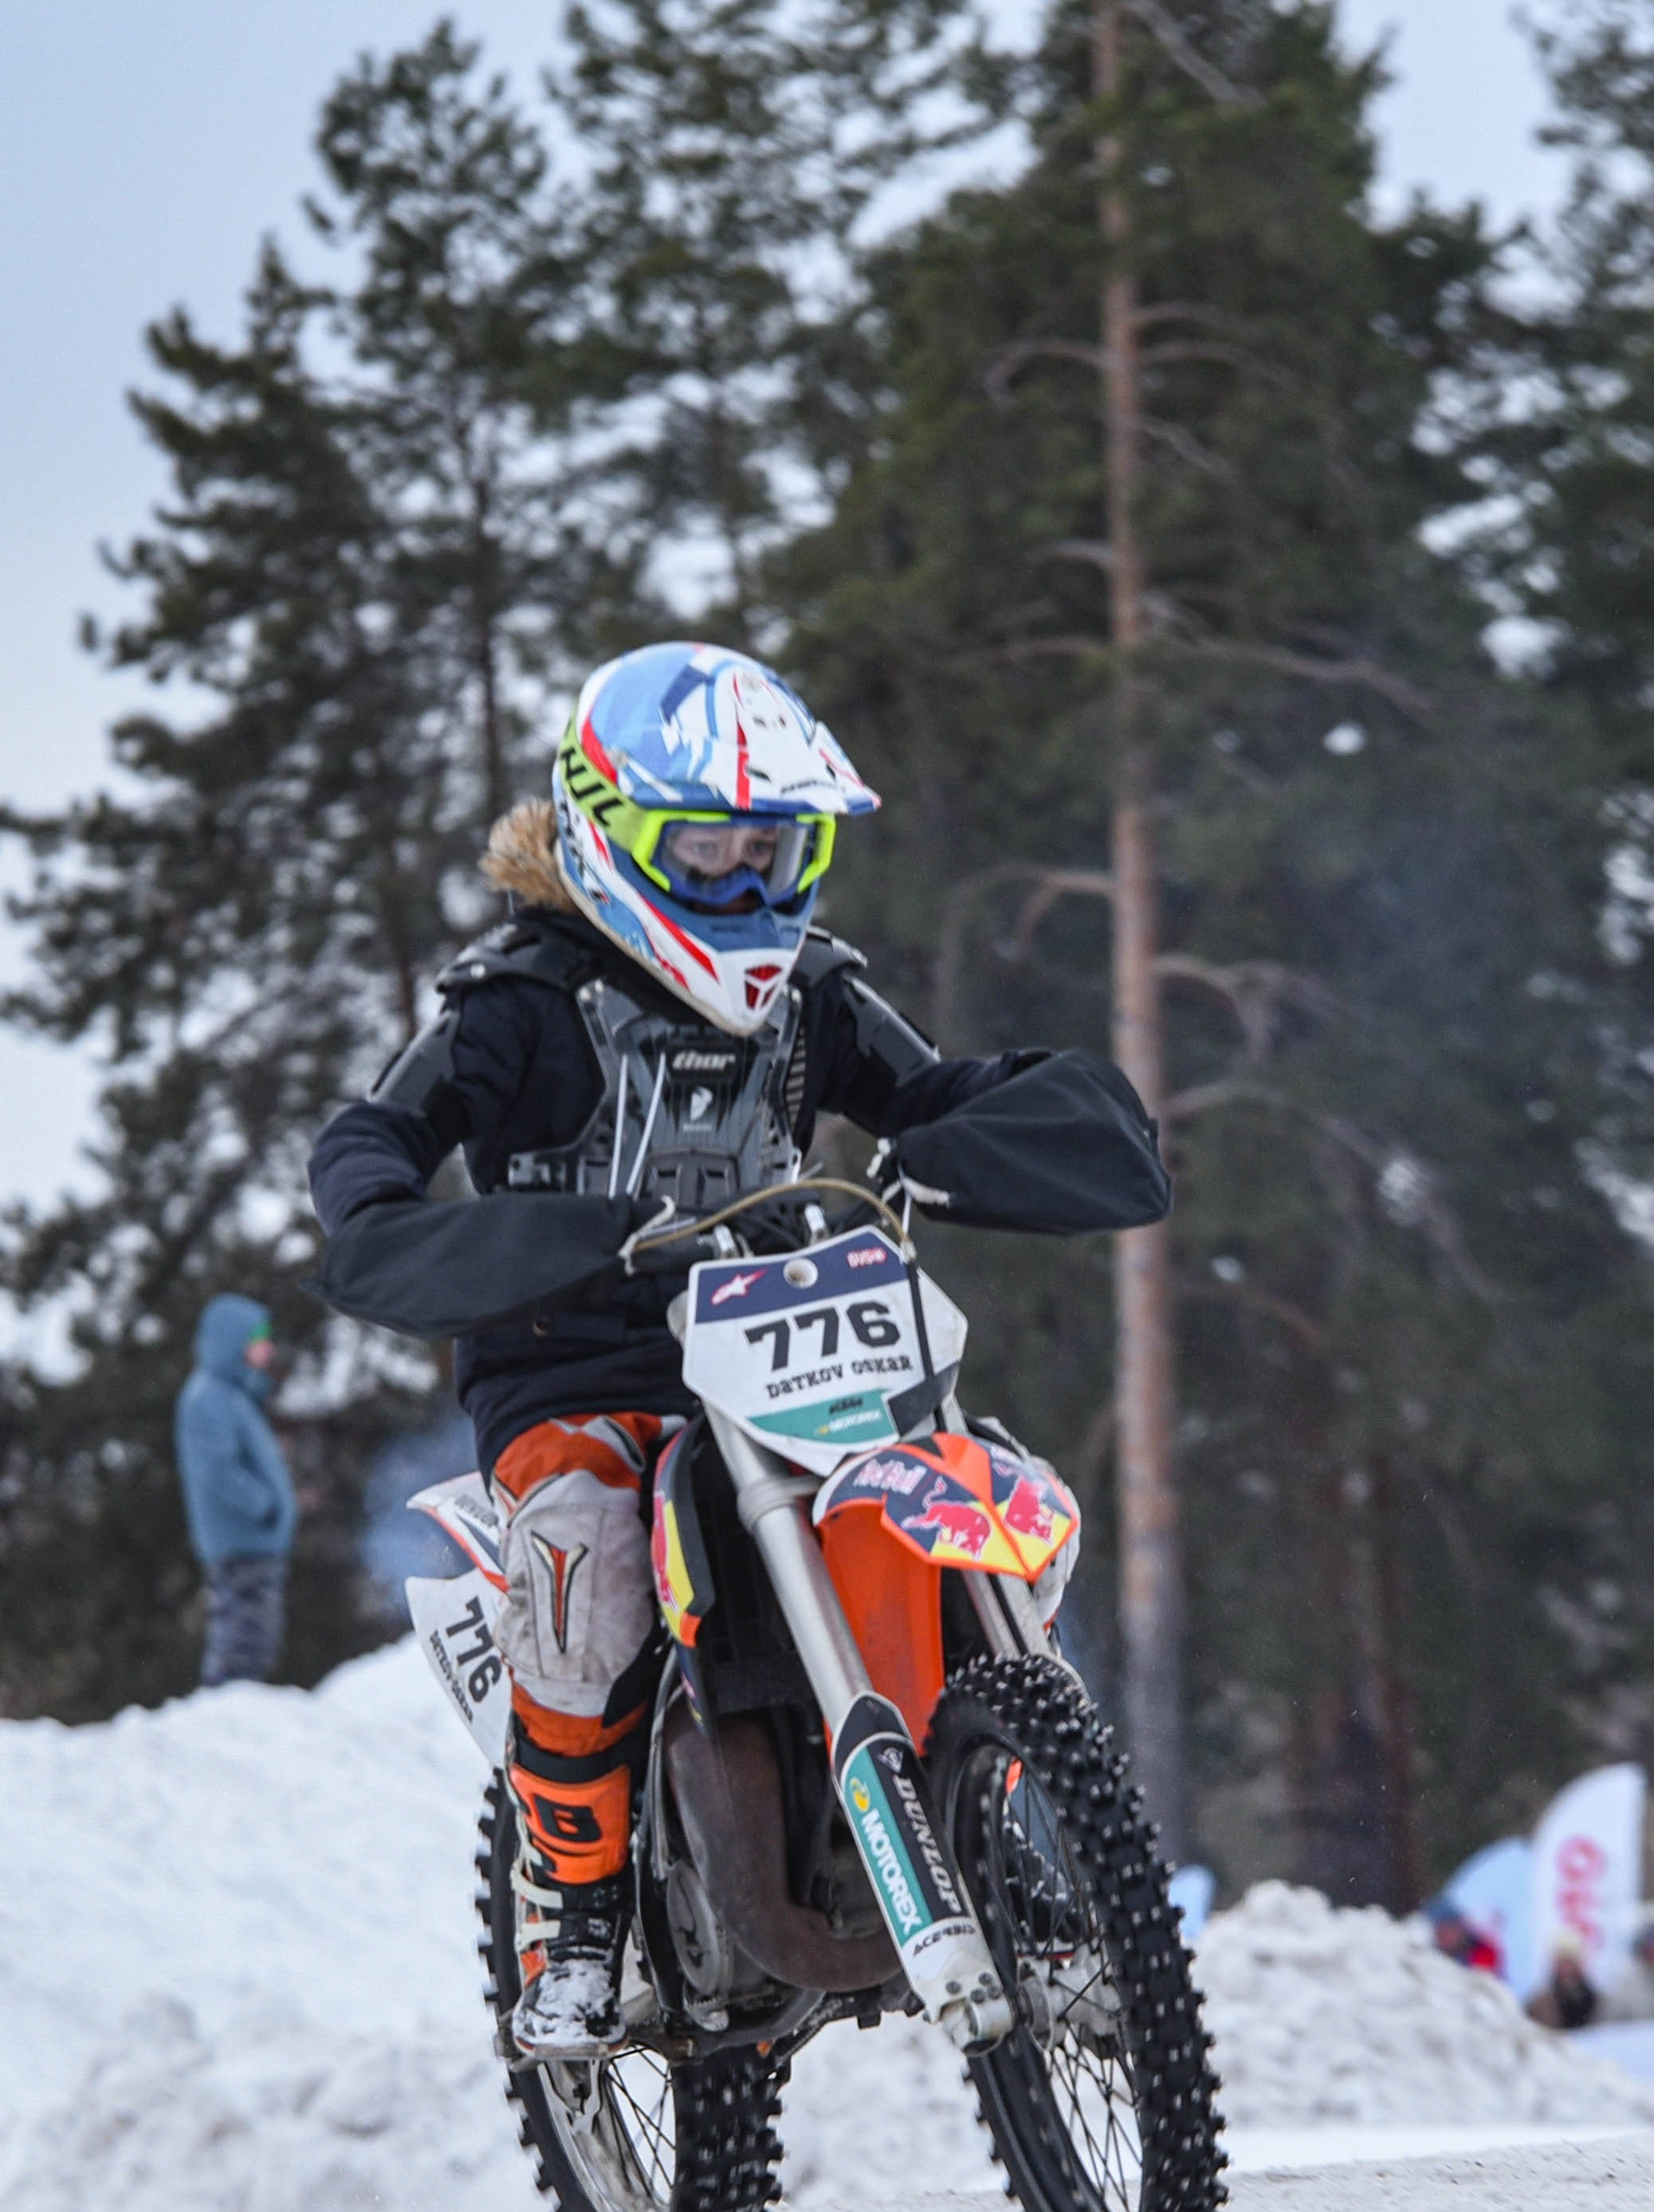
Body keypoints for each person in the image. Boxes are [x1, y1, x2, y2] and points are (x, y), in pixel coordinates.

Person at [309, 640, 1167, 2057]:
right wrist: (413, 1222)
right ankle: (577, 1909)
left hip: (789, 1351)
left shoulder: (811, 991)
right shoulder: (515, 1002)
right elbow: (373, 1138)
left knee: (984, 1500)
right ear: (607, 831)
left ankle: (1001, 1824)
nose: (745, 882)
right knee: (587, 1553)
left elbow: (932, 1089)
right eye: (706, 849)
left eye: (772, 849)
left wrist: (995, 1136)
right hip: (581, 1369)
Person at [174, 1294, 298, 1687]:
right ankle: (225, 1703)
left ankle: (235, 1702)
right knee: (244, 1637)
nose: (268, 1349)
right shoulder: (208, 1399)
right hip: (239, 1540)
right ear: (232, 1343)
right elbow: (218, 1471)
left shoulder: (231, 1396)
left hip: (252, 1541)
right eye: (259, 1340)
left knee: (256, 1634)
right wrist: (264, 1506)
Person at [1526, 1930, 1599, 2033]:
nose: (1567, 1970)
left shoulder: (1599, 2003)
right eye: (1562, 1964)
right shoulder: (1539, 2006)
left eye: (1570, 1963)